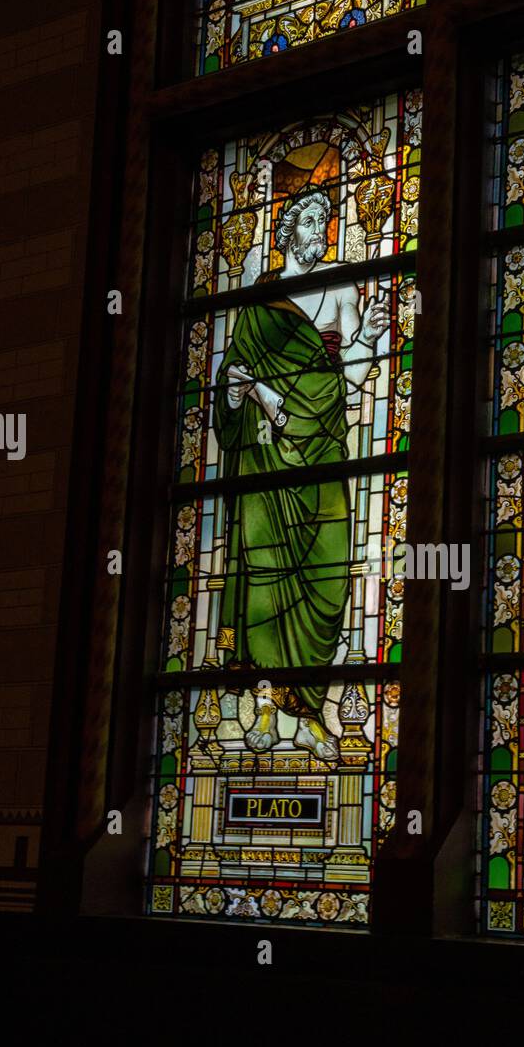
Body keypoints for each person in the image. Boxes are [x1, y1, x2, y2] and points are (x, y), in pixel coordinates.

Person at [212, 185, 389, 761]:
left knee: (327, 575)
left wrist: (370, 338)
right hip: (264, 459)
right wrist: (248, 395)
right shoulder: (261, 299)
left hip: (323, 456)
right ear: (286, 232)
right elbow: (229, 380)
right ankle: (266, 700)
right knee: (267, 575)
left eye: (327, 220)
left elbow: (348, 378)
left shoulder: (341, 287)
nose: (321, 229)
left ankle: (311, 709)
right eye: (309, 220)